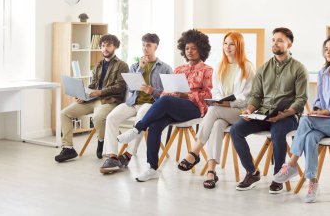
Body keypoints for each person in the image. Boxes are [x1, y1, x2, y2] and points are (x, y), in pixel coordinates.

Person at [273, 35, 330, 203]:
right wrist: (317, 111)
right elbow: (319, 100)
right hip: (325, 122)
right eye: (326, 49)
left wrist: (326, 112)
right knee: (311, 136)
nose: (328, 52)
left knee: (306, 121)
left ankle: (291, 164)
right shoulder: (323, 74)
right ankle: (313, 183)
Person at [117, 29, 213, 182]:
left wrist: (186, 95)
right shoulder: (179, 69)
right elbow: (165, 93)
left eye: (194, 48)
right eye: (187, 48)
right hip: (174, 106)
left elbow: (207, 96)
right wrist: (172, 93)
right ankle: (152, 168)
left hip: (194, 108)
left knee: (166, 101)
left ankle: (137, 128)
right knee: (155, 125)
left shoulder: (207, 70)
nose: (190, 51)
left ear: (201, 49)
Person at [230, 27, 308, 193]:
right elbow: (256, 95)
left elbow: (301, 99)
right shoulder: (263, 69)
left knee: (278, 132)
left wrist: (284, 114)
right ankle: (252, 173)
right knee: (236, 130)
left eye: (280, 40)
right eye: (273, 40)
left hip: (287, 116)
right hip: (264, 114)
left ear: (289, 44)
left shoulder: (299, 68)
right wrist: (249, 110)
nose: (275, 43)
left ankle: (278, 176)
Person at [177, 31, 255, 189]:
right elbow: (216, 91)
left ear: (239, 46)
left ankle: (194, 152)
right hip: (223, 111)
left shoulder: (247, 67)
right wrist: (220, 101)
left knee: (212, 111)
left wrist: (229, 104)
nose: (228, 47)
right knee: (217, 124)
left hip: (240, 111)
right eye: (225, 44)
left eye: (232, 44)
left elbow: (248, 97)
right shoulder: (220, 66)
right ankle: (211, 172)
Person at [99, 33, 172, 173]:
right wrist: (141, 68)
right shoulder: (134, 66)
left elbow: (168, 93)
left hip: (151, 104)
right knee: (111, 117)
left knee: (141, 118)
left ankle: (127, 155)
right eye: (143, 44)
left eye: (148, 45)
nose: (145, 48)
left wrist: (153, 91)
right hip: (133, 102)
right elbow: (131, 87)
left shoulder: (165, 68)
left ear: (156, 47)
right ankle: (112, 156)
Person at [55, 34, 129, 162]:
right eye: (103, 45)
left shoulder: (122, 65)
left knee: (98, 117)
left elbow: (120, 87)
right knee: (64, 113)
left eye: (108, 45)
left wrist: (99, 92)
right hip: (92, 100)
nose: (105, 48)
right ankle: (68, 148)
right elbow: (92, 85)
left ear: (115, 47)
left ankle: (102, 140)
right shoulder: (98, 65)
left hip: (110, 101)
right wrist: (82, 95)